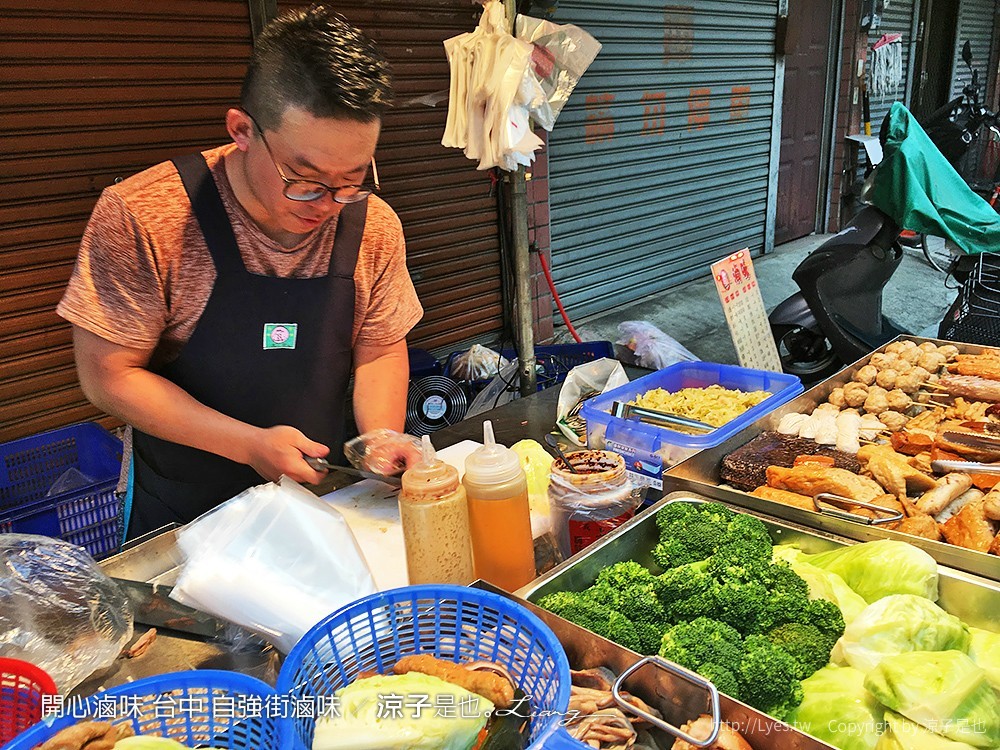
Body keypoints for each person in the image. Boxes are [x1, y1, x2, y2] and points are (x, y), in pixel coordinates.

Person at [57, 5, 423, 541]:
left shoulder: (373, 225)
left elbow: (381, 347)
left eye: (351, 179)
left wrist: (383, 439)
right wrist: (248, 443)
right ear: (242, 130)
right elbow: (107, 375)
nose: (327, 204)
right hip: (184, 514)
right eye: (304, 178)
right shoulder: (144, 215)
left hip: (317, 500)